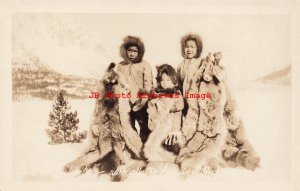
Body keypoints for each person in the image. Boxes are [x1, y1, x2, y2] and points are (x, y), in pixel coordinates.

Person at [143, 64, 184, 163]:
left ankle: (176, 156)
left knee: (174, 147)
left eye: (168, 80)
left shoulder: (176, 94)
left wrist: (170, 107)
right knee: (158, 145)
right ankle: (161, 156)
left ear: (174, 82)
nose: (165, 83)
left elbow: (180, 105)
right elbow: (152, 108)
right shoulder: (158, 94)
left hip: (173, 129)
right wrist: (154, 105)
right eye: (162, 80)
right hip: (160, 127)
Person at [116, 36, 153, 143]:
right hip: (125, 102)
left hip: (140, 102)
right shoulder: (120, 66)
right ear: (125, 51)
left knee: (144, 128)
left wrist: (144, 100)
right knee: (129, 127)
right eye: (129, 51)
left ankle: (145, 151)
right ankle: (133, 149)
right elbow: (116, 83)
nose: (132, 54)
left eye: (135, 51)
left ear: (139, 52)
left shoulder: (144, 65)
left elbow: (148, 84)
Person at [177, 33, 203, 116]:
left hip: (196, 97)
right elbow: (179, 82)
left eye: (192, 47)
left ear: (197, 48)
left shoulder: (200, 62)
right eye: (187, 46)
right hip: (184, 96)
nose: (189, 49)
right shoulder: (181, 65)